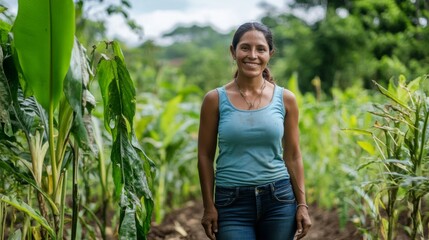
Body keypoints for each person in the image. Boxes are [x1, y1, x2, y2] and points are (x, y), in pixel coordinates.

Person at [197, 22, 311, 240]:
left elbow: (293, 155)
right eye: (245, 48)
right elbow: (204, 156)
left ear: (270, 54)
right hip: (231, 204)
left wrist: (302, 204)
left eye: (260, 49)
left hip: (279, 200)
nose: (252, 55)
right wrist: (208, 206)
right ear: (233, 51)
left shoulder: (286, 99)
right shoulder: (214, 100)